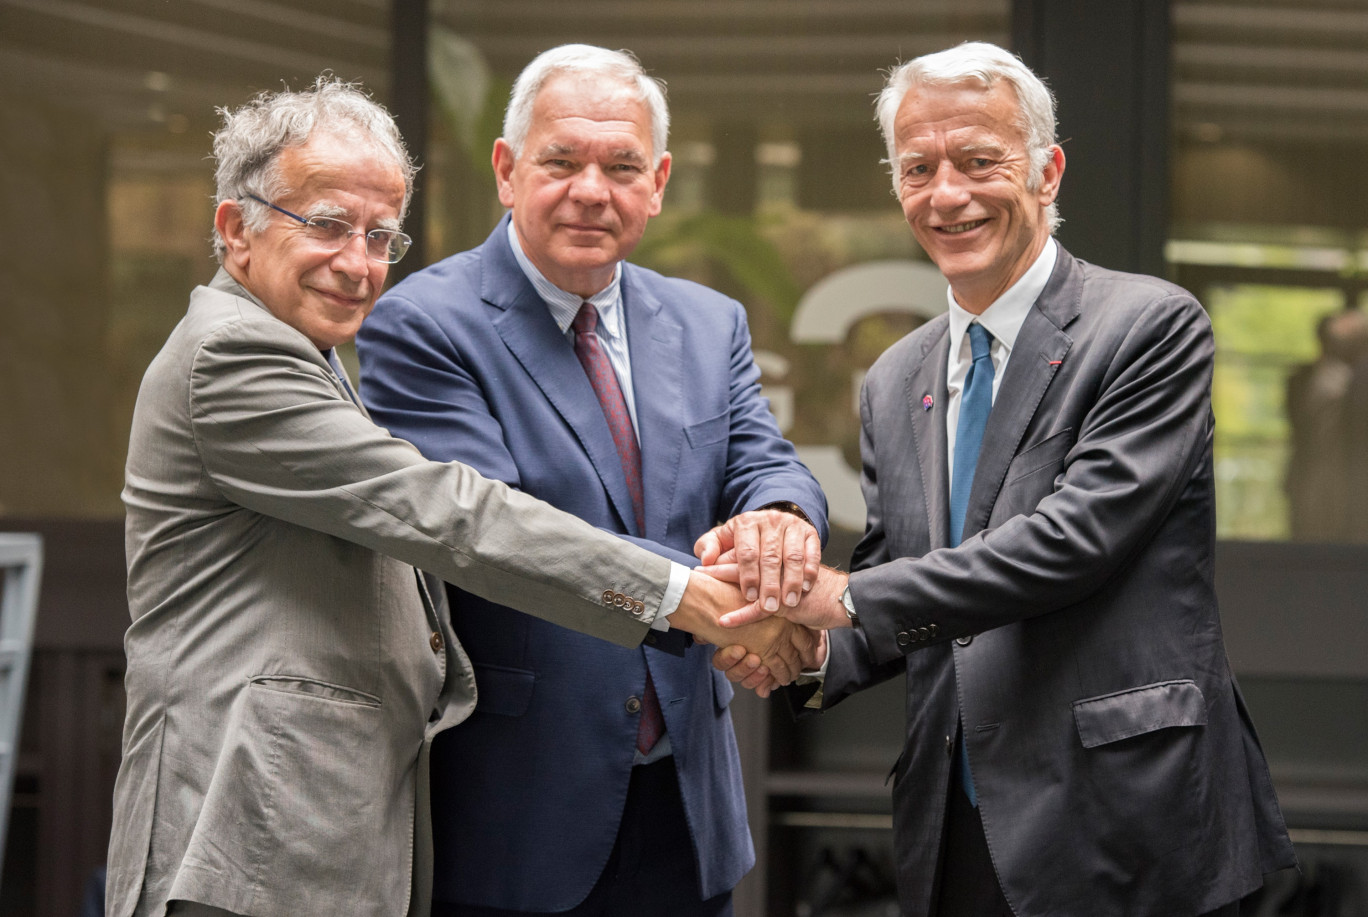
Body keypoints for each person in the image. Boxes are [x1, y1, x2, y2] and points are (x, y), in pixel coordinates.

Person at [106, 76, 812, 917]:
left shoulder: (303, 344)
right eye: (328, 225)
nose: (358, 262)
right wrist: (698, 600)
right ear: (236, 230)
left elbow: (760, 460)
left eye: (380, 236)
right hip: (255, 828)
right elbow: (454, 516)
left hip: (332, 824)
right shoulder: (236, 358)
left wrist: (778, 539)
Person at [715, 41, 1296, 917]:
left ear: (1047, 170)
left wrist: (838, 601)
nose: (947, 194)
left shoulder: (1147, 327)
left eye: (979, 160)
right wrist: (808, 650)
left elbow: (1068, 545)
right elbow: (893, 569)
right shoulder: (892, 376)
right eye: (919, 168)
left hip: (1128, 824)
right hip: (957, 825)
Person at [355, 44, 827, 917]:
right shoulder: (422, 326)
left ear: (658, 182)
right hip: (519, 810)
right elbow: (493, 534)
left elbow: (762, 457)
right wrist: (737, 606)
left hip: (685, 807)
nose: (590, 190)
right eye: (561, 161)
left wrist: (780, 519)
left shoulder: (706, 319)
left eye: (621, 166)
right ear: (506, 169)